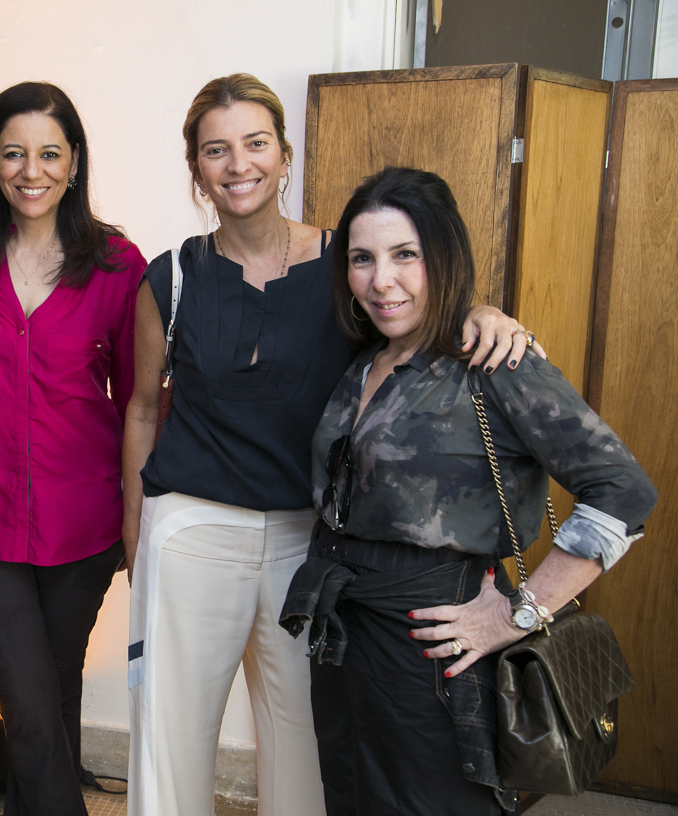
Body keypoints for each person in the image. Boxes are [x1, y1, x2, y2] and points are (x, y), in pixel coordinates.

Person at [121, 75, 533, 816]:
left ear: (284, 156)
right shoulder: (172, 276)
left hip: (311, 547)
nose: (237, 163)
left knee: (309, 739)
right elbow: (144, 410)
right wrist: (136, 534)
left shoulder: (350, 263)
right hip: (191, 529)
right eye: (216, 150)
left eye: (254, 144)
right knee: (169, 734)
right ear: (196, 169)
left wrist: (481, 310)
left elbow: (416, 308)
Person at [279, 166, 658, 815]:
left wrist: (522, 611)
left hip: (433, 646)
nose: (381, 280)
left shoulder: (494, 362)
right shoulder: (366, 357)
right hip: (344, 634)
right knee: (349, 800)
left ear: (444, 256)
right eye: (362, 259)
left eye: (406, 255)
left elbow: (624, 491)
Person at [0, 81, 146, 816]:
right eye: (14, 153)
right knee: (33, 707)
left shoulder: (117, 264)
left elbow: (142, 400)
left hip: (82, 525)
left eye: (49, 153)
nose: (31, 170)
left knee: (53, 695)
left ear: (74, 162)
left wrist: (142, 526)